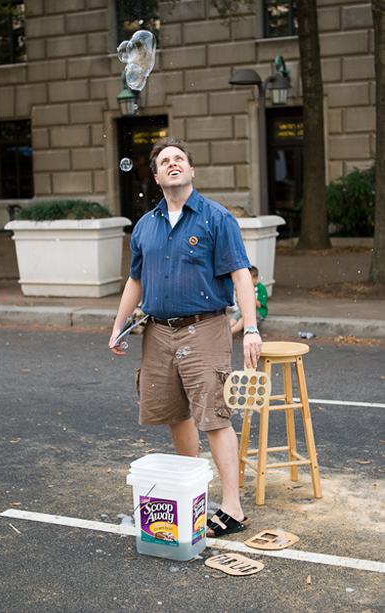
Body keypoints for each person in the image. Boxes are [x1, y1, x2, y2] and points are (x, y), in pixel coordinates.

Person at [109, 137, 262, 538]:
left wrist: (250, 327)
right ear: (157, 176)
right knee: (175, 413)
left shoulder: (216, 218)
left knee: (213, 416)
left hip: (206, 327)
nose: (173, 164)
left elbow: (241, 274)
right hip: (158, 332)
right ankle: (193, 492)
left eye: (180, 159)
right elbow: (136, 279)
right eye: (165, 161)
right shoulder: (145, 226)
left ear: (191, 171)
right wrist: (118, 323)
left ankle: (233, 508)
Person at [228, 266, 267, 334]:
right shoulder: (244, 286)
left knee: (243, 319)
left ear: (256, 278)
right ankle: (225, 330)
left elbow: (260, 305)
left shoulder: (261, 288)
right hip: (244, 308)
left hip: (257, 311)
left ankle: (230, 333)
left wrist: (249, 295)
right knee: (233, 319)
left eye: (250, 279)